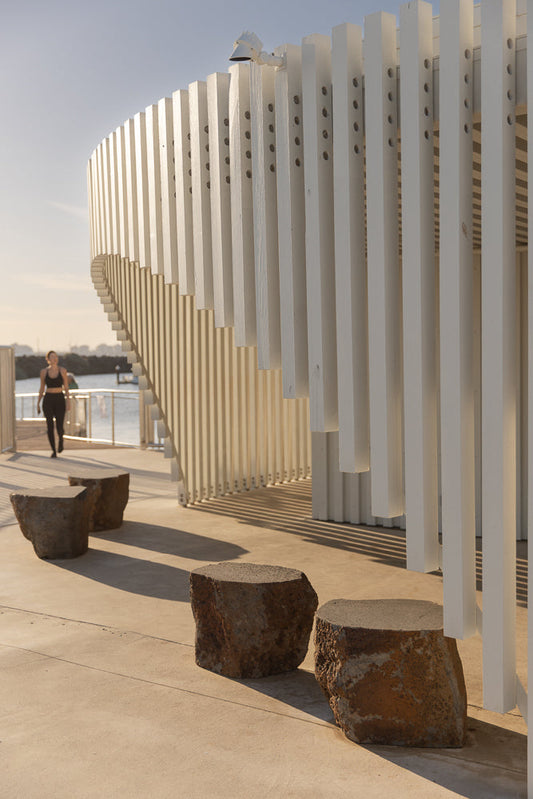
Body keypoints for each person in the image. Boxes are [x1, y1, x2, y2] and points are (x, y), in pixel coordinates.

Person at [36, 351, 71, 458]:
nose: (54, 359)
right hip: (48, 400)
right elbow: (42, 388)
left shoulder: (63, 371)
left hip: (60, 399)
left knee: (60, 426)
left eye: (55, 357)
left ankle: (61, 440)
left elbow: (66, 387)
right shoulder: (43, 372)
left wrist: (68, 401)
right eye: (52, 357)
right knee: (49, 426)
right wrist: (38, 403)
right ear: (48, 359)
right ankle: (53, 450)